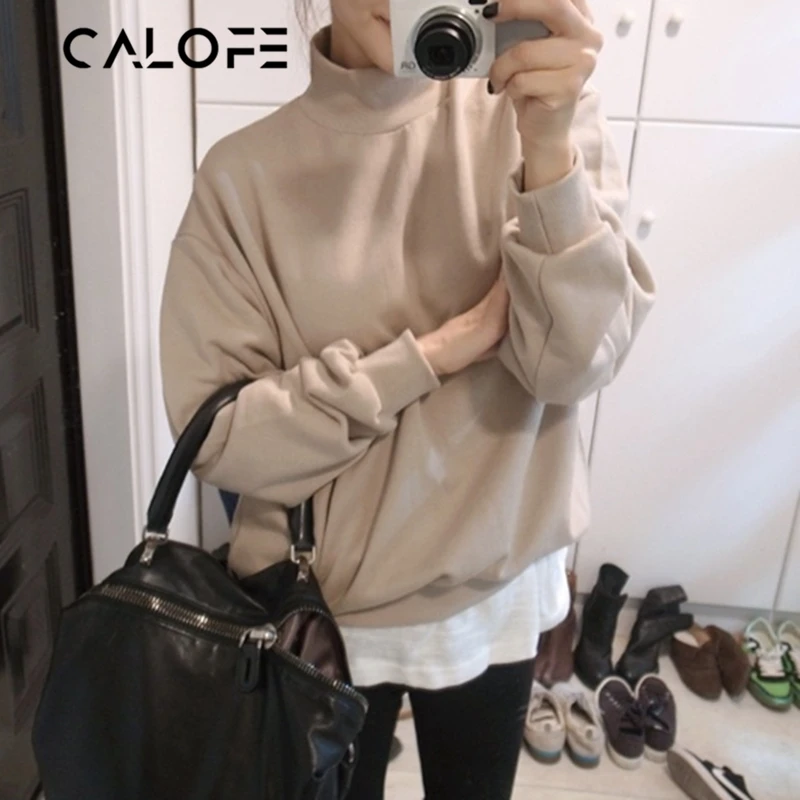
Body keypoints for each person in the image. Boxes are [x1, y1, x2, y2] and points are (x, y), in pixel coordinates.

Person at [158, 0, 657, 797]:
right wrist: (431, 355)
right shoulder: (243, 175)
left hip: (497, 585)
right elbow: (222, 439)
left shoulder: (538, 113)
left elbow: (573, 364)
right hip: (327, 610)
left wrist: (550, 150)